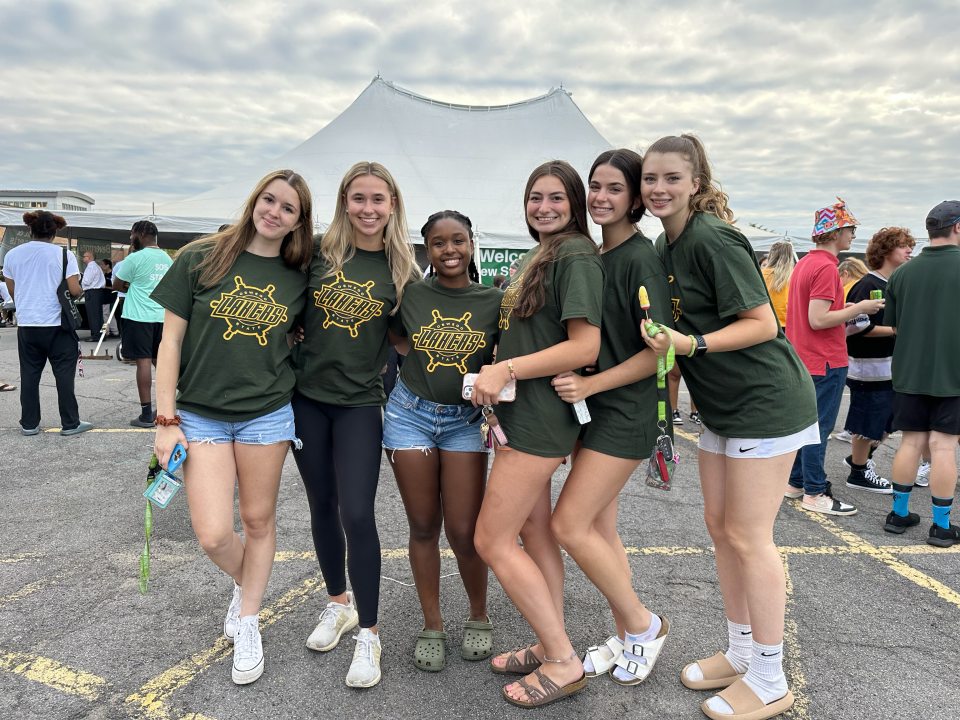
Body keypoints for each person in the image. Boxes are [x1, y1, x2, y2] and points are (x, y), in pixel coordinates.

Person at [640, 135, 818, 720]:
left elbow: (763, 323)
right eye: (650, 178)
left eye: (671, 178)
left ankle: (770, 676)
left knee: (748, 535)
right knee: (720, 528)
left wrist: (690, 343)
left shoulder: (712, 238)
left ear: (696, 183)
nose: (658, 188)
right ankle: (742, 653)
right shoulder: (664, 246)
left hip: (764, 400)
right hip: (721, 406)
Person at [151, 169, 313, 685]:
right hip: (200, 414)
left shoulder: (300, 274)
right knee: (214, 533)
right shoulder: (203, 256)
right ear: (254, 200)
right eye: (269, 199)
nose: (274, 212)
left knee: (258, 521)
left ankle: (248, 620)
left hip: (268, 414)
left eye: (288, 208)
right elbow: (170, 343)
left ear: (299, 222)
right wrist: (165, 420)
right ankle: (249, 586)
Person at [470, 160, 603, 708]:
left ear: (574, 203)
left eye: (555, 198)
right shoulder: (541, 254)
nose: (543, 207)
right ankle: (551, 642)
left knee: (490, 539)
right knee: (535, 531)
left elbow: (585, 346)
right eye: (535, 197)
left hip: (541, 417)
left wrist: (506, 368)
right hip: (525, 412)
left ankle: (563, 660)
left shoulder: (574, 255)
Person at [292, 161, 419, 688]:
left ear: (392, 205)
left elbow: (408, 341)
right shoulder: (316, 255)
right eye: (358, 198)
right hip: (306, 401)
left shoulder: (402, 270)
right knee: (321, 505)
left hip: (360, 405)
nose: (368, 209)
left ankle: (369, 633)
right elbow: (286, 312)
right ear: (344, 200)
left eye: (378, 199)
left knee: (358, 513)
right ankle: (338, 604)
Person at [549, 149, 672, 686]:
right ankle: (625, 636)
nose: (601, 197)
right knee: (601, 529)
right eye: (595, 186)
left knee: (567, 525)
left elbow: (658, 354)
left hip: (624, 412)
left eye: (615, 188)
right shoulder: (600, 253)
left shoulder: (641, 259)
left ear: (635, 198)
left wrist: (591, 384)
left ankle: (645, 625)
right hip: (593, 412)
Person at [383, 210, 502, 672]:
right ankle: (432, 624)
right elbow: (398, 339)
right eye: (438, 243)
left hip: (464, 421)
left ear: (472, 244)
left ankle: (478, 614)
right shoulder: (411, 294)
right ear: (427, 249)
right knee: (422, 525)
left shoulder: (493, 301)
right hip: (409, 416)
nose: (449, 250)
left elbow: (505, 358)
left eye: (458, 241)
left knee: (464, 531)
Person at [784, 198, 884, 516]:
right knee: (819, 428)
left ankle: (796, 482)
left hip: (804, 357)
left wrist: (846, 311)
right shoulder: (827, 267)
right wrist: (859, 308)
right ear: (837, 232)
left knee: (806, 426)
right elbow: (818, 319)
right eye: (850, 229)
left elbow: (813, 316)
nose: (853, 235)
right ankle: (815, 491)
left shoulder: (805, 263)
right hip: (824, 359)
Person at [882, 201, 960, 547]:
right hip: (953, 374)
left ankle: (898, 514)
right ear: (957, 227)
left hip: (909, 372)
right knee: (943, 447)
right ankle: (941, 526)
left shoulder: (902, 273)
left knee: (911, 442)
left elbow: (895, 327)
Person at [3, 211, 93, 435]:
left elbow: (13, 291)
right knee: (63, 374)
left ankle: (29, 424)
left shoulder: (12, 255)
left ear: (30, 230)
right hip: (57, 323)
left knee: (29, 374)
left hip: (28, 324)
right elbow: (74, 290)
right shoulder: (64, 255)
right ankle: (70, 423)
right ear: (54, 232)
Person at [841, 227, 915, 494]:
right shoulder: (867, 285)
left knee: (890, 418)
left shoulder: (893, 283)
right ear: (885, 250)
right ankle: (859, 472)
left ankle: (859, 460)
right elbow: (856, 326)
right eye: (903, 245)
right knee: (867, 419)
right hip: (868, 368)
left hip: (889, 367)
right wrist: (898, 330)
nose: (909, 250)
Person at [114, 220, 173, 427]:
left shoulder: (135, 258)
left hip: (139, 316)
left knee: (143, 362)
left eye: (132, 235)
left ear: (140, 235)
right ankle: (172, 404)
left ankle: (146, 414)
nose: (131, 238)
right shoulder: (167, 258)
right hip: (162, 316)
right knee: (161, 362)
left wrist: (132, 286)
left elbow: (117, 284)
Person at [761, 240, 796, 332]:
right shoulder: (794, 276)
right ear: (790, 257)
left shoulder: (760, 274)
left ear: (771, 255)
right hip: (787, 322)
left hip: (765, 322)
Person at [80, 249, 107, 341]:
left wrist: (81, 281)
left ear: (89, 257)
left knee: (93, 315)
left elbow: (87, 281)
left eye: (84, 256)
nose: (83, 258)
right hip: (97, 292)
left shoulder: (91, 267)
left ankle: (96, 335)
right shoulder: (96, 267)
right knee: (98, 315)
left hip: (92, 292)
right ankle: (101, 335)